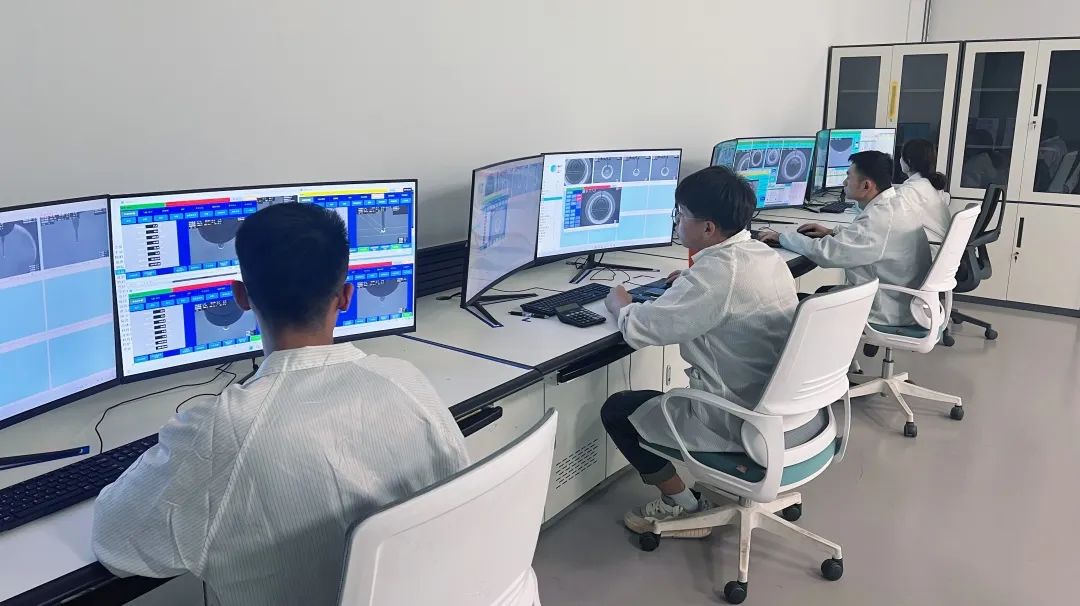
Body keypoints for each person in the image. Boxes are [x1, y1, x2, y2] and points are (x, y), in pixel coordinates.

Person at [92, 204, 470, 606]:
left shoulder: (220, 430)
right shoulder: (406, 380)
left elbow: (114, 541)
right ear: (345, 296)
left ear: (240, 296)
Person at [601, 166, 799, 537]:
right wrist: (690, 283)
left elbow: (640, 328)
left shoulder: (715, 277)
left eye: (680, 215)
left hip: (737, 419)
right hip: (791, 413)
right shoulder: (762, 255)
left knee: (618, 410)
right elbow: (720, 292)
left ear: (708, 228)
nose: (676, 222)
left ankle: (682, 505)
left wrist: (619, 302)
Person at [759, 151, 932, 326]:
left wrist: (782, 238)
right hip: (901, 300)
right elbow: (866, 238)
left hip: (886, 310)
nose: (844, 182)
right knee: (819, 293)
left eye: (848, 177)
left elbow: (827, 254)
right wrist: (832, 232)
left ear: (866, 185)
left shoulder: (878, 218)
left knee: (790, 307)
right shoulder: (896, 205)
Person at [897, 138, 953, 240]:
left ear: (908, 161)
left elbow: (892, 221)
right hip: (941, 244)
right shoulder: (930, 185)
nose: (900, 160)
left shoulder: (910, 191)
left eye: (901, 156)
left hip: (930, 247)